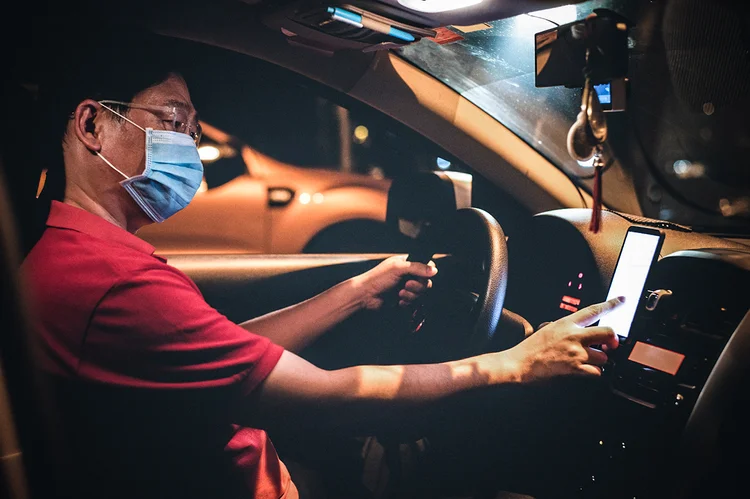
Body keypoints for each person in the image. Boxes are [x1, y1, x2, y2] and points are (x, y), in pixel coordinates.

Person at [21, 26, 623, 499]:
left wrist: (357, 292)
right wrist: (515, 364)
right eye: (174, 121)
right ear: (92, 124)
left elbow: (221, 351)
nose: (191, 144)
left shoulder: (75, 255)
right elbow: (332, 394)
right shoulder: (116, 282)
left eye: (193, 128)